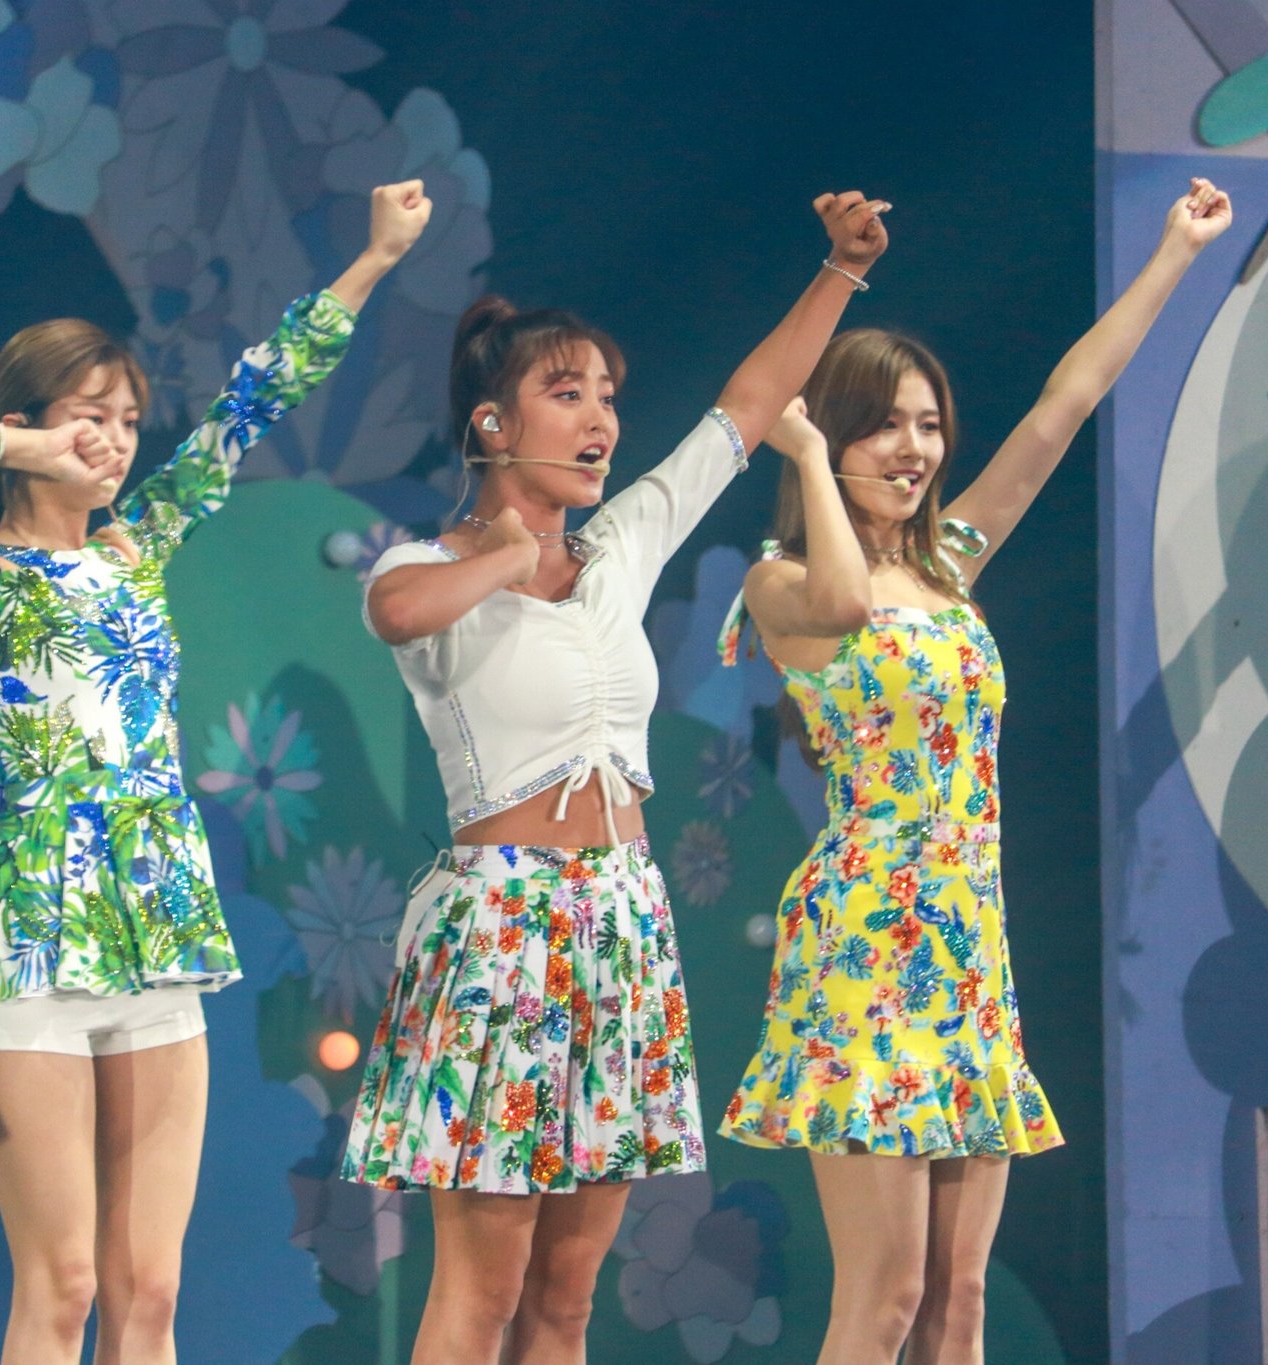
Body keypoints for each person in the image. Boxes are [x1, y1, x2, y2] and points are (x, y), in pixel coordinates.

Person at [0, 182, 431, 1365]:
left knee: (148, 1293)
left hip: (156, 921)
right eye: (87, 417)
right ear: (24, 423)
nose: (112, 440)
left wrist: (372, 258)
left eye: (124, 419)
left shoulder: (136, 545)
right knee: (60, 1289)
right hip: (31, 933)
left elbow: (251, 402)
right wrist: (22, 446)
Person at [343, 192, 891, 1364]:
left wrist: (839, 270)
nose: (600, 419)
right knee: (482, 1295)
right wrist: (501, 552)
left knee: (565, 1300)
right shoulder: (421, 565)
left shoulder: (621, 547)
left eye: (606, 396)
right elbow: (398, 615)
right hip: (498, 933)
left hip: (620, 927)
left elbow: (746, 406)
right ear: (492, 421)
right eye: (567, 393)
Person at [716, 178, 1230, 1365]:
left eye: (928, 425)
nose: (914, 449)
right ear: (829, 435)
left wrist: (1173, 252)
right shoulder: (777, 582)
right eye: (883, 426)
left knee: (957, 1300)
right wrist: (801, 455)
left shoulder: (947, 565)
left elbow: (1063, 404)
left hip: (965, 946)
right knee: (884, 1297)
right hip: (865, 947)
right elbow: (844, 601)